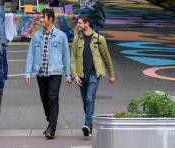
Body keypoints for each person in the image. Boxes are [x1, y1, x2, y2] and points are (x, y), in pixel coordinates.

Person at [24, 8, 72, 139]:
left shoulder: (61, 36)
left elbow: (66, 56)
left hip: (55, 72)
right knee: (45, 100)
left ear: (50, 19)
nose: (40, 20)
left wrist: (68, 74)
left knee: (53, 98)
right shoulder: (36, 35)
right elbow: (31, 55)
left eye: (43, 17)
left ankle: (52, 127)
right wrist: (28, 73)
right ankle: (51, 121)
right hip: (40, 72)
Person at [71, 13, 116, 136]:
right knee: (86, 101)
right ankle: (89, 126)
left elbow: (106, 57)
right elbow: (73, 58)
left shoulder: (99, 39)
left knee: (90, 98)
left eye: (80, 23)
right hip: (81, 75)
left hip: (94, 75)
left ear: (87, 24)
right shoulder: (77, 39)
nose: (78, 25)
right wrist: (75, 75)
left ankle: (86, 124)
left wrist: (111, 74)